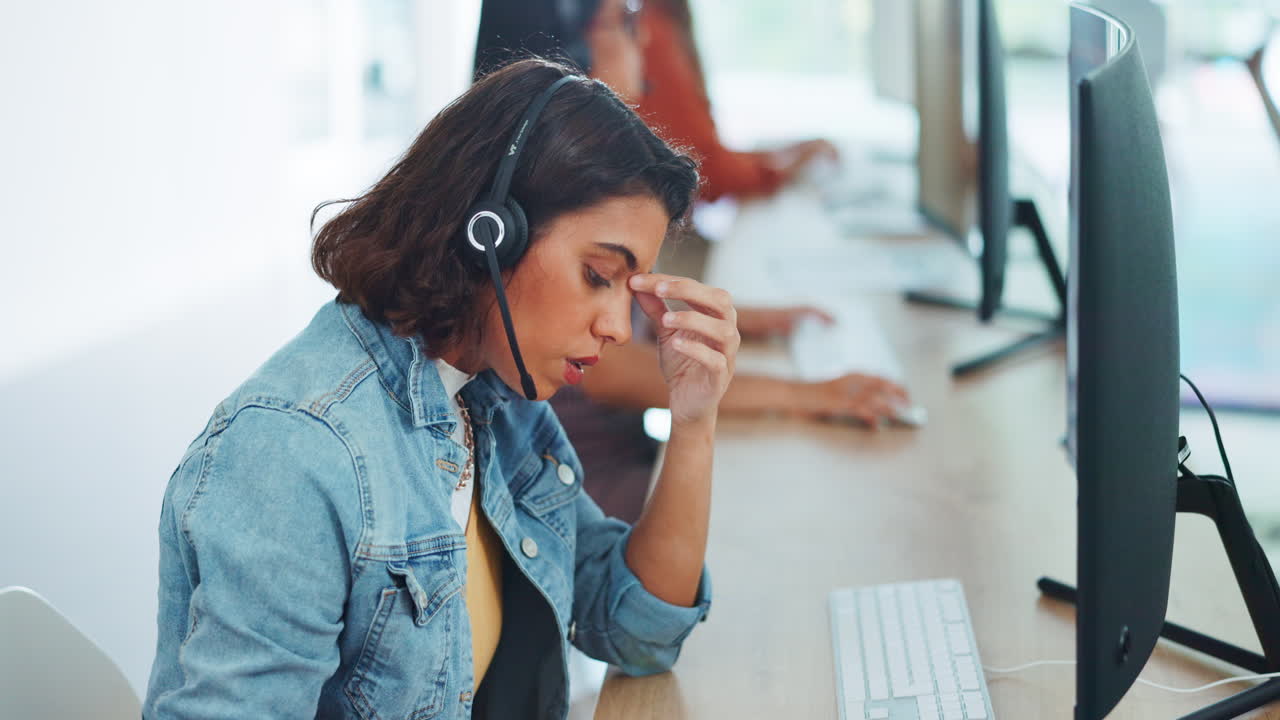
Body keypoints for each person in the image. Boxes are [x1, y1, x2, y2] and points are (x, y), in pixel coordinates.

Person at [144, 59, 731, 719]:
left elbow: (637, 633)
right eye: (598, 274)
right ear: (490, 232)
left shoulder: (494, 403)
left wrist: (695, 424)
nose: (619, 327)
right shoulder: (295, 454)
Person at [474, 0, 910, 522]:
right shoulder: (544, 190)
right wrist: (806, 394)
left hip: (612, 464)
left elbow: (627, 294)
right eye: (625, 22)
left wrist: (734, 317)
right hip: (582, 495)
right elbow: (609, 371)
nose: (646, 40)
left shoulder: (581, 174)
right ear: (567, 47)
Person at [637, 0, 839, 201]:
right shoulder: (649, 32)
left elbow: (695, 155)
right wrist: (780, 167)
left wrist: (777, 156)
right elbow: (702, 169)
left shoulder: (651, 19)